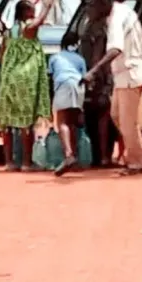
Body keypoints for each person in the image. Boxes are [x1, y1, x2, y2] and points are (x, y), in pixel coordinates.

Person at [82, 0, 142, 176]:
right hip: (124, 75)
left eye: (93, 6)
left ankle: (138, 164)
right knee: (117, 116)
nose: (91, 10)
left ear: (104, 4)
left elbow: (115, 49)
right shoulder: (123, 10)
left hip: (130, 74)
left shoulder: (115, 20)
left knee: (127, 122)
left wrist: (94, 71)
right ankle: (141, 153)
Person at [0, 0, 57, 171]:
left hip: (8, 79)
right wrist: (48, 3)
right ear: (25, 13)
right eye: (32, 11)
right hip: (25, 79)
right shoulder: (28, 29)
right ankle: (26, 163)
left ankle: (9, 163)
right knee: (25, 122)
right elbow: (39, 22)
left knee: (7, 121)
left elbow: (0, 56)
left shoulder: (8, 33)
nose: (34, 14)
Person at [49, 31, 87, 176]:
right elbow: (84, 76)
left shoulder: (55, 57)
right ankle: (77, 157)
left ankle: (68, 154)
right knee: (74, 122)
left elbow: (52, 76)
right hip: (78, 86)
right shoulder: (79, 58)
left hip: (63, 85)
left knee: (62, 122)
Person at [80, 13, 116, 167]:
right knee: (103, 119)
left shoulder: (86, 39)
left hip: (91, 81)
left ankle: (97, 157)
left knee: (93, 120)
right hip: (101, 81)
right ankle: (103, 157)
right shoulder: (103, 43)